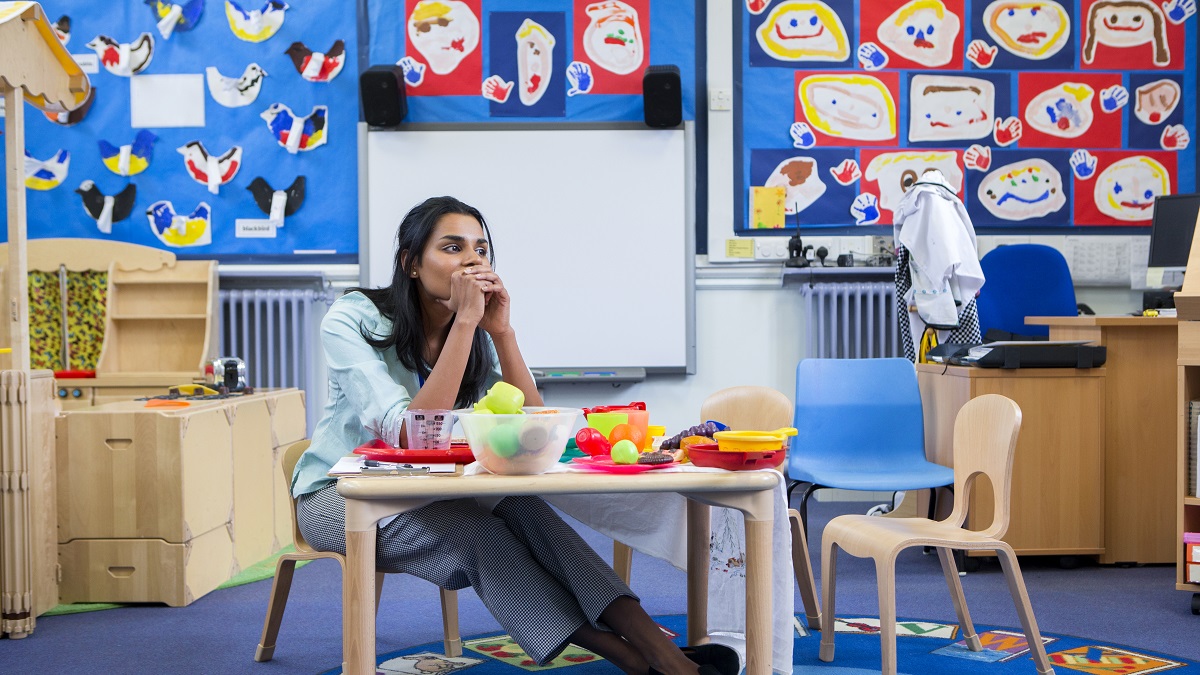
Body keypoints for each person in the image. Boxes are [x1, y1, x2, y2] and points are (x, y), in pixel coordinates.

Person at [290, 196, 736, 675]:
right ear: (411, 264)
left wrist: (501, 332)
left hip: (433, 487)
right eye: (453, 247)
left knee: (529, 511)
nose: (472, 260)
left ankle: (659, 651)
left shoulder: (476, 331)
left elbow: (534, 424)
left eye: (480, 248)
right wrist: (466, 322)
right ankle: (638, 660)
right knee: (482, 536)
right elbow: (411, 435)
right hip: (342, 496)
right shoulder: (351, 318)